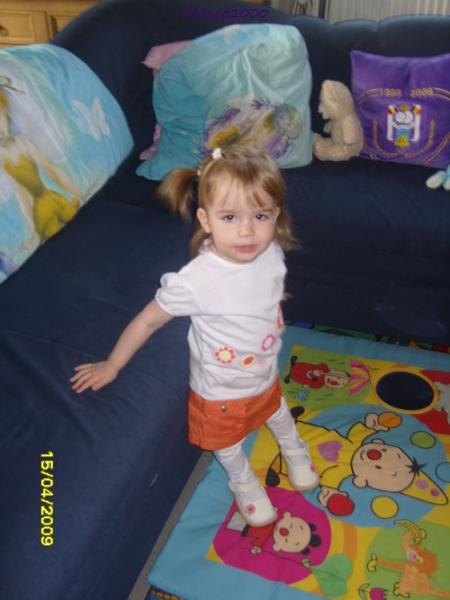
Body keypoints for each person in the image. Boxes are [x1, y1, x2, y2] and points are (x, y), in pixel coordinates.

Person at [70, 146, 319, 527]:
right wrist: (113, 364)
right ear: (206, 219)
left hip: (263, 372)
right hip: (219, 390)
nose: (247, 231)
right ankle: (243, 481)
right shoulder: (196, 281)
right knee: (227, 442)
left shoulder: (269, 251)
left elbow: (263, 286)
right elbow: (147, 321)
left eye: (260, 215)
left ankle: (293, 447)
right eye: (230, 217)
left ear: (276, 215)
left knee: (276, 409)